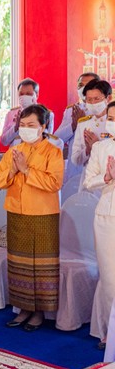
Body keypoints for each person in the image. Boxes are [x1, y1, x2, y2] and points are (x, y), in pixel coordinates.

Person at [0, 105, 64, 331]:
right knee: (19, 262)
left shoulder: (52, 152)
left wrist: (26, 170)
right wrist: (13, 171)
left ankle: (39, 312)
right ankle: (23, 308)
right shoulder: (15, 150)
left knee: (41, 265)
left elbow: (54, 183)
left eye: (31, 125)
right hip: (17, 211)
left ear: (43, 127)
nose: (25, 129)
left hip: (43, 214)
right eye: (22, 125)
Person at [84, 101, 115, 349]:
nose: (112, 122)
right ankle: (108, 331)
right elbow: (87, 181)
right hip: (105, 216)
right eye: (111, 117)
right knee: (109, 277)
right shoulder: (101, 148)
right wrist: (106, 177)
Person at [54, 72, 100, 182]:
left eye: (88, 85)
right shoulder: (72, 110)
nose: (84, 88)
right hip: (74, 170)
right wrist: (73, 126)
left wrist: (84, 123)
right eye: (80, 85)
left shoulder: (105, 110)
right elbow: (57, 138)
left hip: (95, 170)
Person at [71, 79, 112, 187]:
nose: (93, 103)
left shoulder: (112, 122)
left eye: (97, 99)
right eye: (89, 100)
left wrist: (97, 146)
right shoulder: (84, 124)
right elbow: (75, 160)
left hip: (110, 180)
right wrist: (87, 151)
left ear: (108, 98)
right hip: (88, 179)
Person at [0, 78, 55, 147]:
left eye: (28, 94)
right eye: (21, 94)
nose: (24, 96)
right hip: (15, 154)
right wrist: (16, 127)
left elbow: (48, 140)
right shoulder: (11, 114)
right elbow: (4, 142)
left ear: (37, 95)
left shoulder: (48, 114)